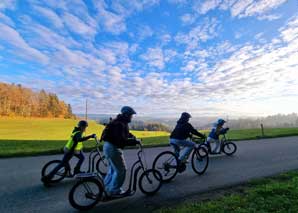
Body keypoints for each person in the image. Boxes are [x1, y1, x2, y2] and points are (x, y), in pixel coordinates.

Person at [100, 106, 140, 197]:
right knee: (121, 170)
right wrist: (134, 142)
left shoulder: (120, 122)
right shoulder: (119, 124)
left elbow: (124, 133)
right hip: (113, 148)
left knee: (113, 169)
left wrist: (132, 136)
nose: (131, 117)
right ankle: (115, 190)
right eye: (131, 115)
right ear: (126, 115)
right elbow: (121, 140)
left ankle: (106, 187)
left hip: (108, 146)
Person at [41, 120, 96, 185]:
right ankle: (47, 178)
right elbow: (79, 139)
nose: (85, 129)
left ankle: (76, 170)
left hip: (74, 150)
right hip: (70, 151)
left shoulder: (77, 131)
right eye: (84, 127)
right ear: (81, 127)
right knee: (62, 164)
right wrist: (90, 136)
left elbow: (77, 140)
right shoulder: (78, 133)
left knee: (82, 157)